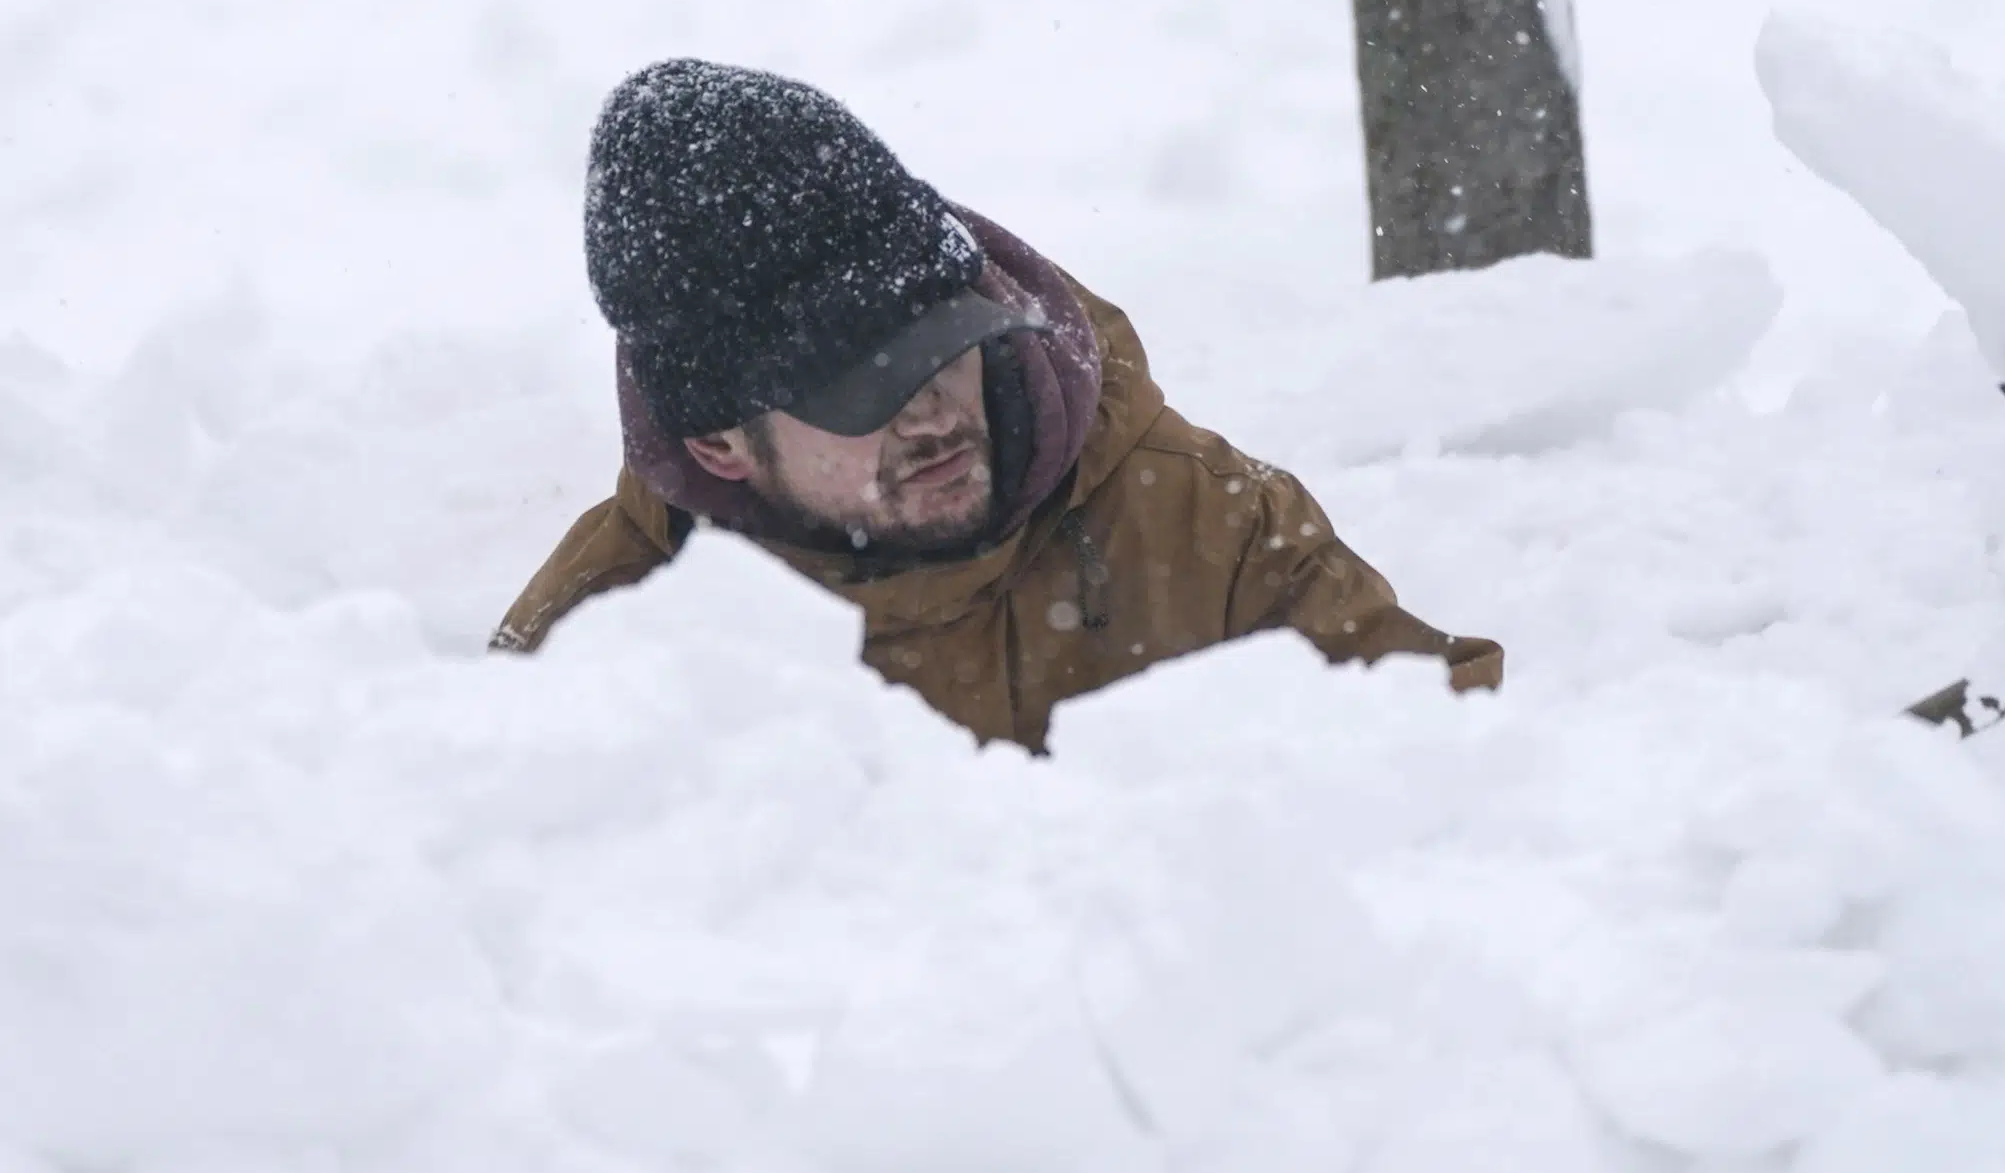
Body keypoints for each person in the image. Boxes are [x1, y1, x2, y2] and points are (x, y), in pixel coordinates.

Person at [495, 61, 1500, 750]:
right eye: (864, 392)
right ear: (721, 446)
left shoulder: (1198, 525)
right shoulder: (602, 652)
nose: (933, 412)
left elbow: (1477, 769)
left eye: (945, 347)